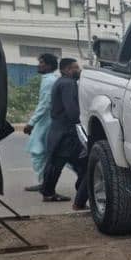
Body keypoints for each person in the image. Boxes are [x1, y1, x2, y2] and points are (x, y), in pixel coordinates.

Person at [41, 58, 88, 210]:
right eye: (76, 68)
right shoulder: (68, 84)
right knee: (84, 165)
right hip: (67, 133)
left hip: (58, 130)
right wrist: (81, 122)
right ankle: (79, 197)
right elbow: (72, 110)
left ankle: (48, 192)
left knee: (56, 163)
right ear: (67, 69)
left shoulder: (60, 82)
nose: (79, 70)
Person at [23, 54, 58, 192]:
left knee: (38, 152)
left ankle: (44, 183)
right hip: (47, 121)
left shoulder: (49, 81)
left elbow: (45, 104)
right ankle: (44, 182)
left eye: (42, 63)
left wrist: (31, 122)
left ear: (49, 66)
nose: (39, 65)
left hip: (46, 122)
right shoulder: (49, 79)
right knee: (44, 153)